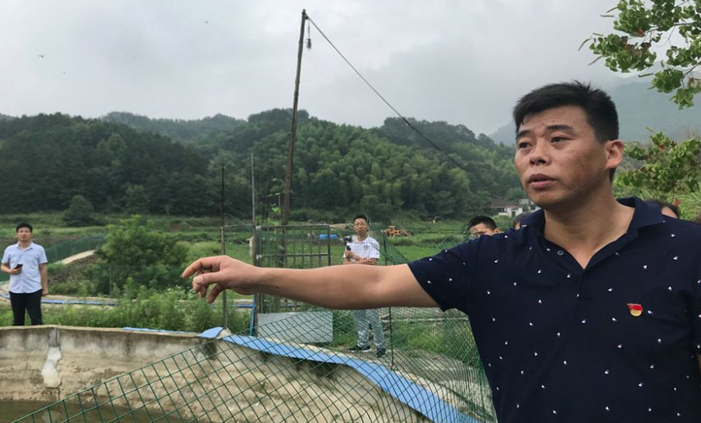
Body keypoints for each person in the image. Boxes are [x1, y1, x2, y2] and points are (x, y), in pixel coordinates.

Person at [183, 82, 701, 422]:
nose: (536, 155)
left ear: (612, 152)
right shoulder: (491, 259)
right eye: (524, 144)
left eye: (558, 139)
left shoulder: (686, 250)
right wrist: (255, 275)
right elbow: (375, 281)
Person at [343, 214, 385, 358]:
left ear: (367, 226)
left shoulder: (373, 242)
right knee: (358, 315)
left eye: (362, 223)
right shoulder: (349, 241)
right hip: (354, 283)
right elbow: (345, 264)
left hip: (369, 283)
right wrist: (361, 261)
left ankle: (380, 345)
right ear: (354, 227)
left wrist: (354, 258)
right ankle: (363, 344)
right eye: (357, 224)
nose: (360, 226)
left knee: (373, 316)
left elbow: (372, 263)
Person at [0, 222, 48, 326]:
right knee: (18, 320)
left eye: (26, 231)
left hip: (34, 289)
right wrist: (10, 271)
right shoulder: (10, 249)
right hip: (15, 289)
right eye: (21, 231)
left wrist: (44, 288)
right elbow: (3, 266)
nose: (24, 234)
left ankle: (37, 336)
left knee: (36, 320)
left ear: (31, 234)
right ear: (16, 234)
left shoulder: (39, 249)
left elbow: (43, 269)